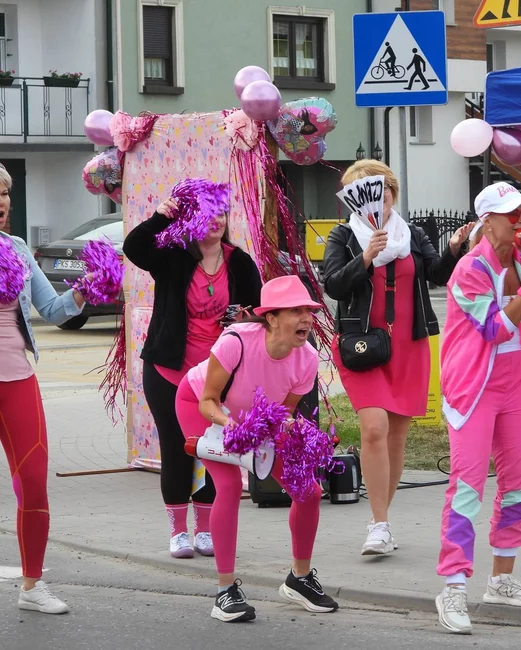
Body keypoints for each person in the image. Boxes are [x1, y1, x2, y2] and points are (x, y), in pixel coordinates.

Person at [434, 181, 521, 634]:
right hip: (473, 389)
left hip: (514, 388)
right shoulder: (470, 268)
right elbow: (494, 330)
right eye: (512, 214)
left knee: (519, 485)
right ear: (488, 221)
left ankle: (501, 580)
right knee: (467, 489)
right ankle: (453, 586)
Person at [322, 159, 471, 556]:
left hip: (409, 345)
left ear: (391, 193)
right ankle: (380, 524)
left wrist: (453, 249)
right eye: (367, 193)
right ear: (355, 200)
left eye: (383, 189)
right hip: (361, 346)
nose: (378, 198)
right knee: (374, 428)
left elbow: (437, 275)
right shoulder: (345, 235)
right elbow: (333, 285)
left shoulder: (412, 234)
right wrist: (365, 257)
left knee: (396, 436)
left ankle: (380, 521)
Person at [175, 275, 338, 622]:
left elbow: (283, 413)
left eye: (309, 310)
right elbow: (207, 400)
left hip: (256, 420)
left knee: (308, 491)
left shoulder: (308, 358)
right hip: (203, 407)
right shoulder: (235, 341)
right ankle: (225, 592)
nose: (307, 318)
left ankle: (299, 579)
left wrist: (296, 432)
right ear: (272, 318)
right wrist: (230, 426)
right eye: (296, 311)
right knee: (230, 485)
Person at [124, 195, 262, 560]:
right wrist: (160, 216)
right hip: (168, 371)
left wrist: (244, 318)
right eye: (207, 214)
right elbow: (133, 247)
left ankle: (204, 530)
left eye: (221, 213)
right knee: (177, 449)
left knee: (212, 449)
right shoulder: (173, 256)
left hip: (216, 376)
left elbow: (259, 309)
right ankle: (178, 532)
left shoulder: (240, 262)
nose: (216, 220)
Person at [0, 165, 90, 614]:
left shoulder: (17, 248)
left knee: (33, 484)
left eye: (4, 194)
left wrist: (83, 292)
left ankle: (32, 585)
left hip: (17, 378)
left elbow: (52, 310)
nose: (1, 203)